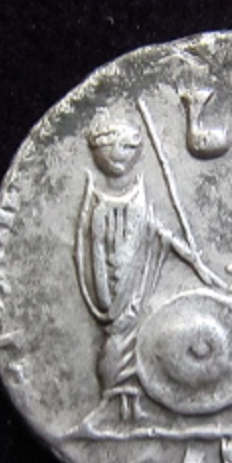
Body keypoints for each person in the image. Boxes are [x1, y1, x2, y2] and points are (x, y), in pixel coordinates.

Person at [76, 111, 154, 421]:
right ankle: (111, 404)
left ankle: (130, 404)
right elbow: (92, 250)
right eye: (112, 147)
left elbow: (151, 238)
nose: (121, 155)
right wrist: (107, 299)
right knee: (116, 342)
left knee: (135, 342)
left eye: (129, 147)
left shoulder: (141, 198)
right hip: (109, 294)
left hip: (136, 291)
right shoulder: (95, 201)